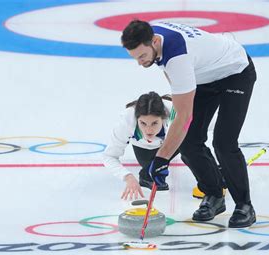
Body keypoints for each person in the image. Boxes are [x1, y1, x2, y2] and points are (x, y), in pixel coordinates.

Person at [121, 20, 257, 228]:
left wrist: (161, 158)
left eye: (142, 56)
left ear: (155, 41)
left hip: (235, 72)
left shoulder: (178, 57)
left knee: (224, 142)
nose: (140, 63)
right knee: (189, 142)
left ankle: (244, 205)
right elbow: (178, 95)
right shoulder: (150, 37)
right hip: (203, 77)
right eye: (135, 58)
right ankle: (214, 194)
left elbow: (183, 116)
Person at [102, 91, 180, 201]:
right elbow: (109, 156)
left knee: (189, 140)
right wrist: (128, 177)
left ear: (163, 118)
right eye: (143, 123)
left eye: (154, 123)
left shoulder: (176, 114)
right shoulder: (127, 120)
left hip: (171, 142)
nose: (148, 130)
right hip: (145, 150)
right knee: (150, 168)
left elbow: (210, 126)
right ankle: (146, 173)